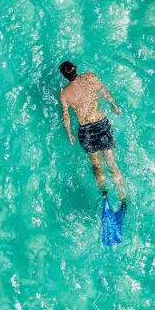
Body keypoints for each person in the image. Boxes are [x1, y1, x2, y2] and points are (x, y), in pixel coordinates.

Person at [58, 61, 126, 209]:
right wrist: (114, 105)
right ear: (75, 68)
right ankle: (122, 198)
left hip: (86, 132)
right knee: (111, 163)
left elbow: (66, 117)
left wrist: (69, 134)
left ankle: (105, 196)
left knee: (96, 165)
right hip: (101, 124)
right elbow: (105, 92)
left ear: (64, 75)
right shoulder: (90, 77)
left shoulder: (64, 93)